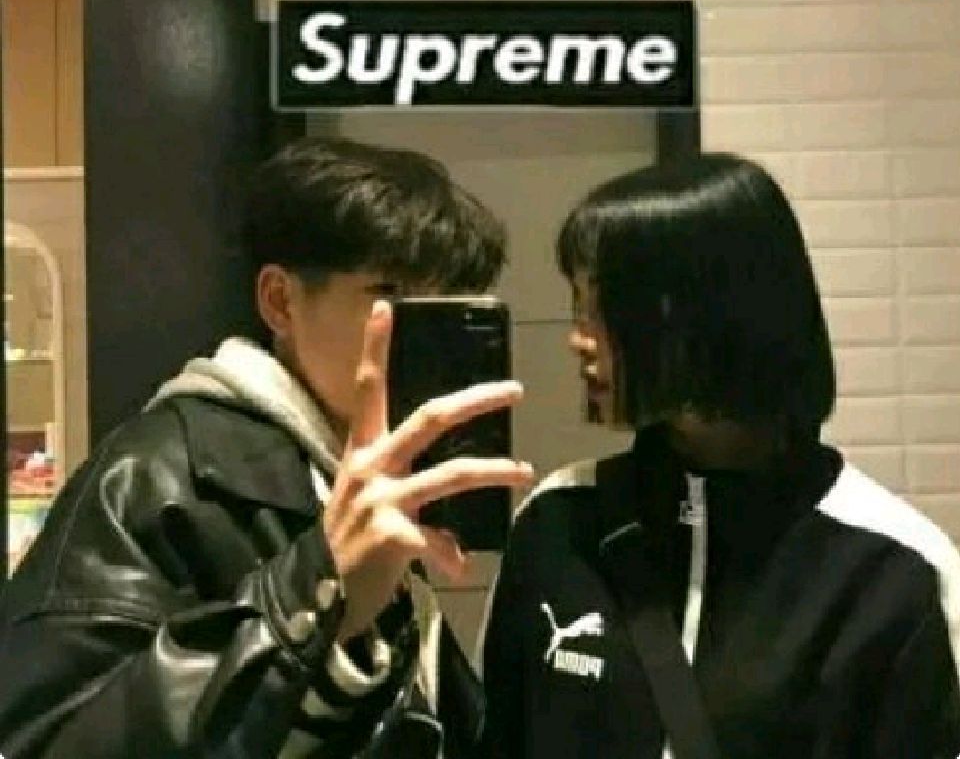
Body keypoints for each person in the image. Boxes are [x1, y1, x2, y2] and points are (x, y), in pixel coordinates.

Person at [0, 136, 534, 759]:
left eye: (444, 306)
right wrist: (318, 590)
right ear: (280, 301)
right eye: (389, 295)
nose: (420, 335)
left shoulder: (352, 474)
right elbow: (46, 742)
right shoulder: (156, 476)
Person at [479, 153, 960, 759]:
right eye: (577, 304)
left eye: (603, 308)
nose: (578, 338)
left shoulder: (893, 567)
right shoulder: (557, 523)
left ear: (705, 313)